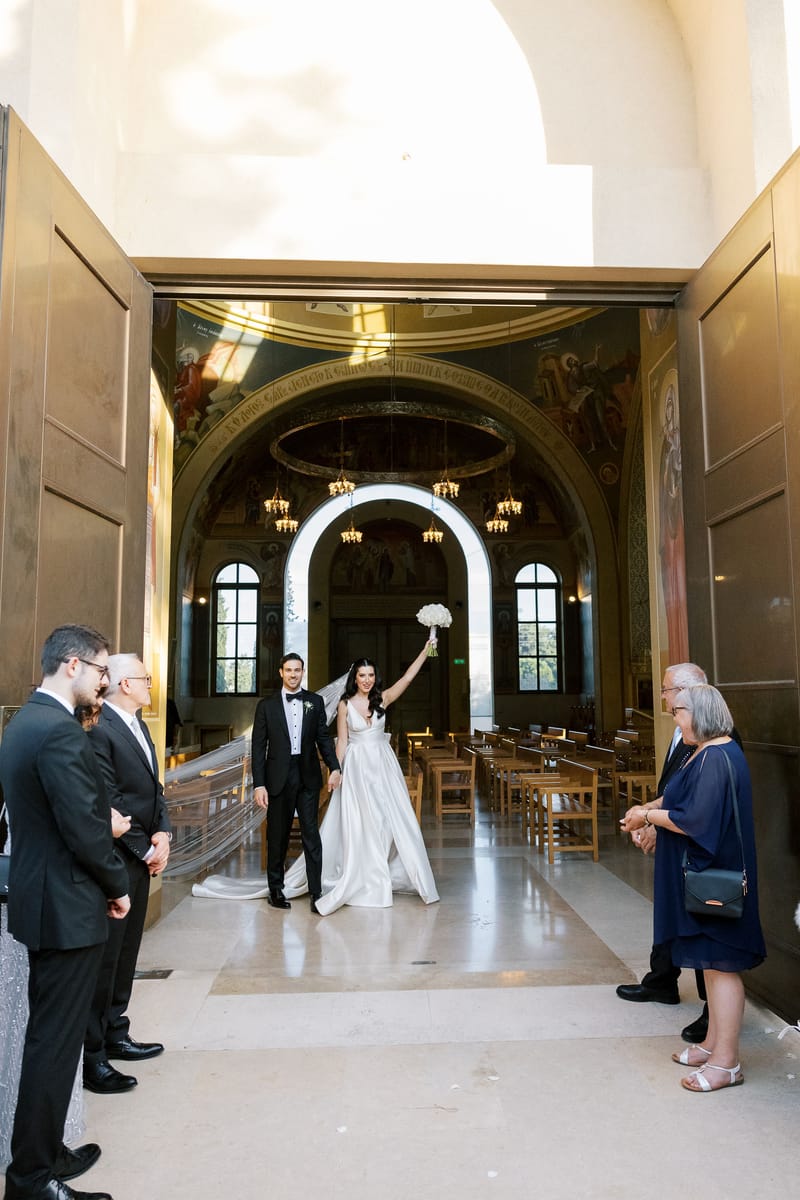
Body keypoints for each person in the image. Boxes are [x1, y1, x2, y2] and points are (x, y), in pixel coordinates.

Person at [0, 624, 130, 1200]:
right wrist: (117, 885)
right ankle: (31, 1178)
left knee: (49, 1038)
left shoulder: (24, 722)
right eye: (101, 670)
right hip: (68, 907)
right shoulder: (59, 731)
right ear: (72, 665)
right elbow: (83, 829)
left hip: (42, 899)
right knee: (54, 1045)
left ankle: (46, 1150)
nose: (104, 682)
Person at [621, 684, 765, 1092]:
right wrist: (647, 810)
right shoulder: (704, 752)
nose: (676, 719)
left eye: (679, 712)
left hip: (714, 878)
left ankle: (726, 1063)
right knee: (711, 965)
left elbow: (696, 820)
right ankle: (712, 1044)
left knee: (722, 968)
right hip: (701, 875)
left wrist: (650, 817)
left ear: (700, 714)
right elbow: (679, 799)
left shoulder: (718, 756)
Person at [284, 636, 440, 914]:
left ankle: (380, 872)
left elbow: (407, 677)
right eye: (362, 676)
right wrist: (336, 770)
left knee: (387, 821)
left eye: (370, 675)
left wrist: (426, 650)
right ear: (354, 678)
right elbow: (342, 741)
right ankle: (364, 876)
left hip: (383, 767)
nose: (367, 680)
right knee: (360, 822)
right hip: (356, 769)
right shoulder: (344, 704)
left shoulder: (384, 698)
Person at [83, 655, 171, 1096]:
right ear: (123, 684)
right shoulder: (100, 730)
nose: (150, 683)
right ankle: (93, 1054)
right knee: (106, 958)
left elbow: (154, 789)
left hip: (141, 855)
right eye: (144, 678)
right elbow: (111, 798)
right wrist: (145, 849)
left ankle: (117, 1031)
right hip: (118, 857)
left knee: (127, 953)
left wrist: (164, 833)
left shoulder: (139, 725)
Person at [616, 662, 709, 1042]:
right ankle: (662, 980)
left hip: (696, 843)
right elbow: (674, 789)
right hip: (673, 831)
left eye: (667, 689)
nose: (662, 695)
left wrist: (651, 818)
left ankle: (712, 1008)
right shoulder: (680, 728)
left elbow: (696, 802)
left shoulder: (711, 735)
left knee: (701, 918)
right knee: (668, 908)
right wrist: (650, 819)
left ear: (686, 692)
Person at [252, 653, 342, 911]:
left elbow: (323, 738)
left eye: (298, 670)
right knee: (277, 836)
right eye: (289, 670)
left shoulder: (315, 701)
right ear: (281, 672)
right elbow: (258, 748)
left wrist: (335, 767)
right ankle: (275, 890)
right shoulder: (266, 706)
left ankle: (316, 892)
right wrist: (259, 784)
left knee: (311, 834)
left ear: (303, 672)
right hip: (277, 778)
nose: (293, 674)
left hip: (308, 776)